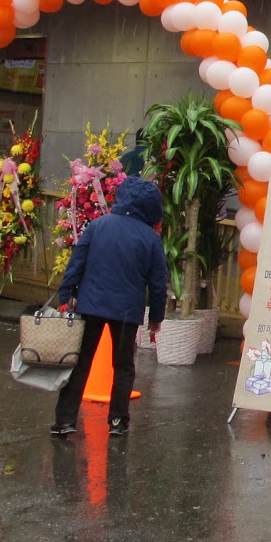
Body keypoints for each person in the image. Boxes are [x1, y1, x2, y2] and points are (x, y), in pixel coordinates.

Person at [50, 175, 169, 437]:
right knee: (123, 366)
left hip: (90, 304)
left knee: (80, 363)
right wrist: (156, 319)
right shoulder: (151, 239)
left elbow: (76, 264)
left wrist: (65, 295)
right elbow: (158, 284)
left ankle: (64, 421)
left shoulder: (97, 226)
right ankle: (117, 421)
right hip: (127, 310)